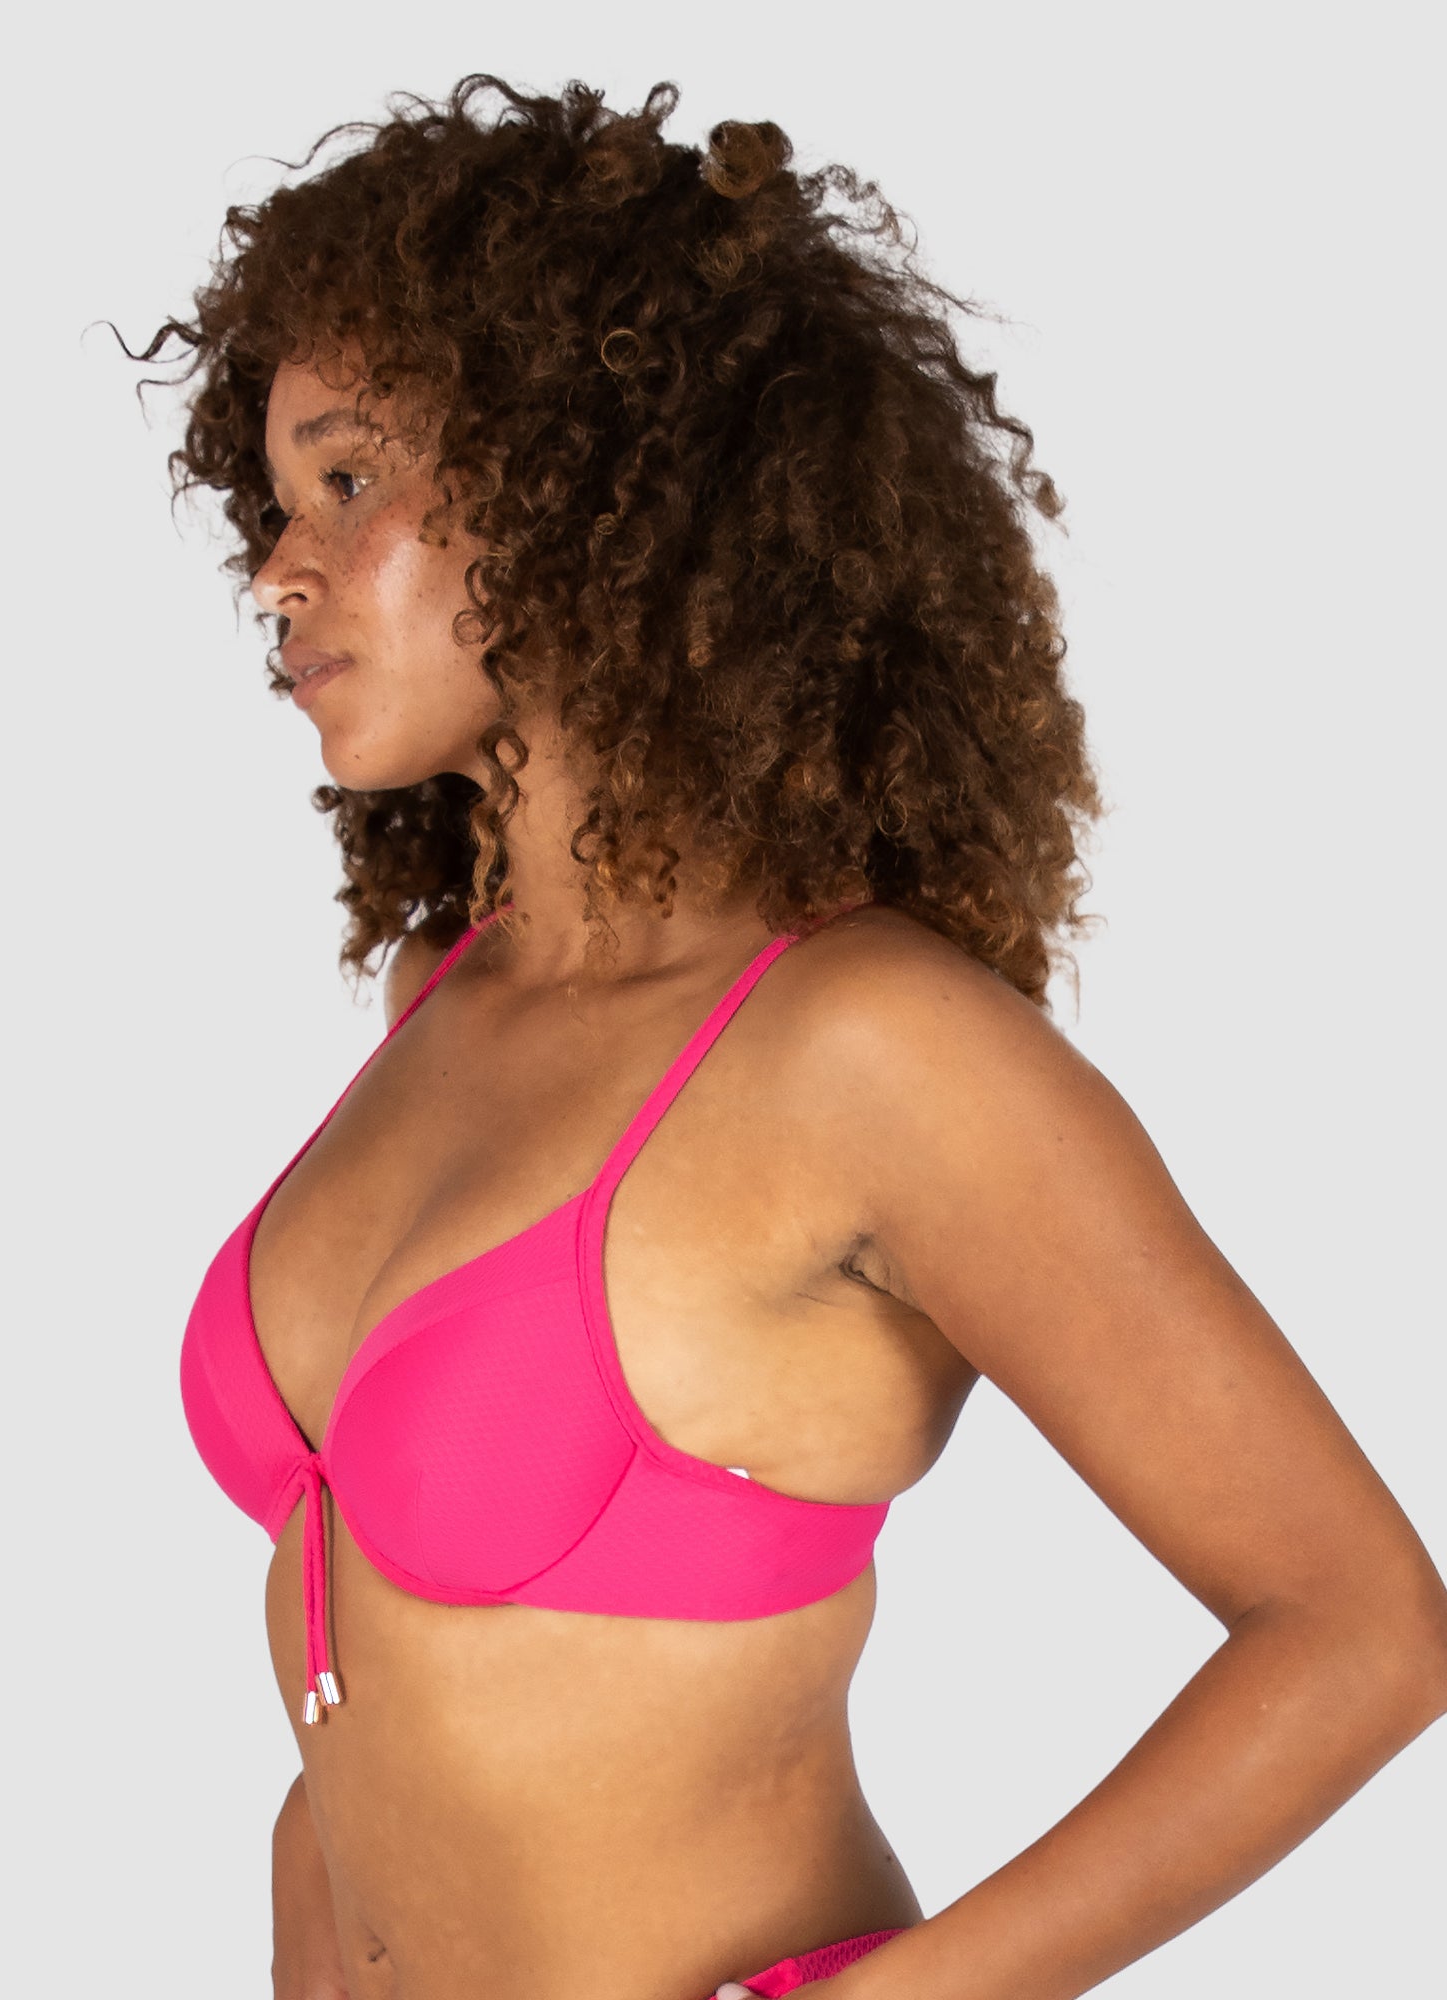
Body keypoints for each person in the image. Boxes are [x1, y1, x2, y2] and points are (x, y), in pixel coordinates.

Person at [145, 74, 1447, 2000]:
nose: (279, 566)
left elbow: (1359, 1630)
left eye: (350, 483)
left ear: (583, 479)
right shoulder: (444, 997)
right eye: (274, 504)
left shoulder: (868, 1050)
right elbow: (387, 1692)